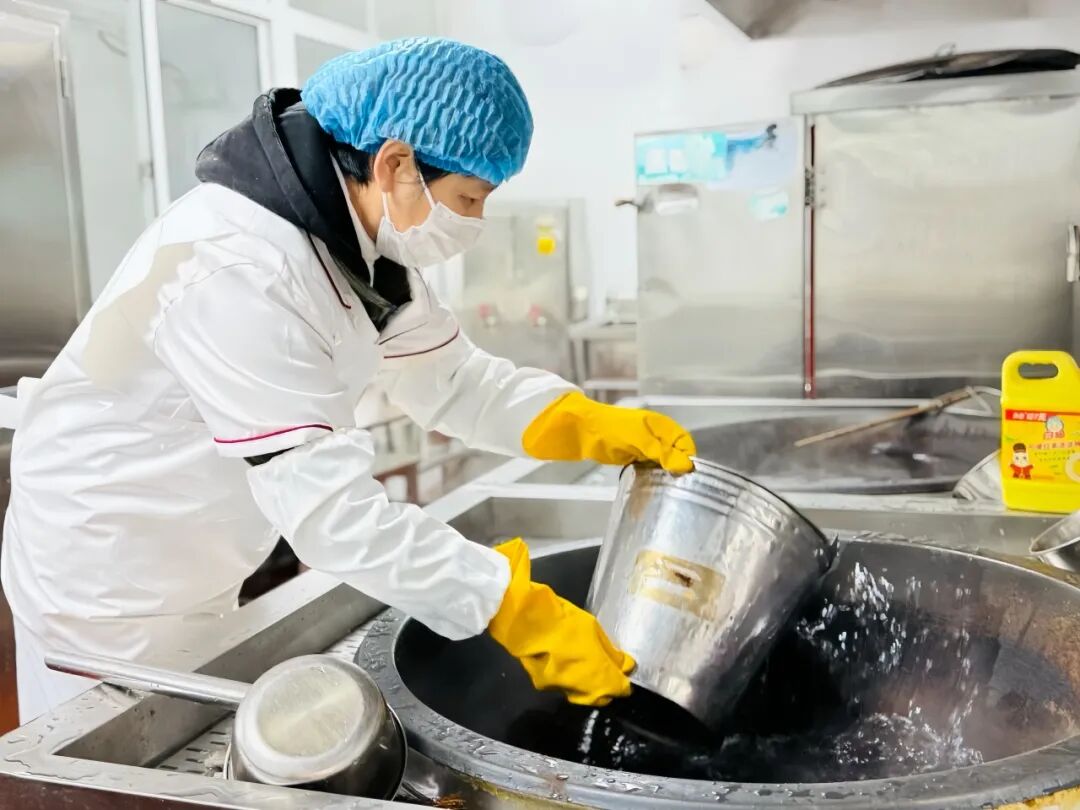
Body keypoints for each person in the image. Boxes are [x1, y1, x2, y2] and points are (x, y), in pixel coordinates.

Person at [1, 38, 695, 722]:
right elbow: (330, 516)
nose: (475, 223)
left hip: (196, 553)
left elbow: (454, 381)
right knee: (117, 750)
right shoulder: (237, 266)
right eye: (469, 197)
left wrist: (580, 421)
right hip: (106, 577)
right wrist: (506, 604)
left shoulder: (357, 248)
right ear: (395, 164)